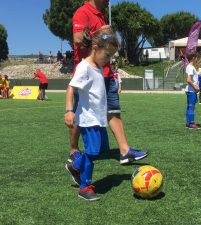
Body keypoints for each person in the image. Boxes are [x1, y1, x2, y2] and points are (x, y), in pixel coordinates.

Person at [66, 0, 147, 174]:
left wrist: (107, 36)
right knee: (81, 114)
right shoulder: (83, 12)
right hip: (89, 74)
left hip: (107, 72)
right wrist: (102, 33)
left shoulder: (101, 14)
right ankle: (73, 151)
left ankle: (124, 151)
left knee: (113, 111)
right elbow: (78, 39)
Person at [65, 26, 118, 201]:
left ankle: (76, 166)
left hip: (99, 118)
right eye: (107, 55)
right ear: (95, 48)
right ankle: (84, 187)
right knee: (93, 152)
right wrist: (69, 111)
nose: (108, 60)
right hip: (88, 119)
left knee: (102, 150)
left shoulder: (98, 67)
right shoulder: (84, 67)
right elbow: (71, 87)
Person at [185, 51, 201, 129]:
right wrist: (196, 88)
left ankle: (188, 123)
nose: (197, 59)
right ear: (193, 58)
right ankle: (191, 123)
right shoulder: (191, 67)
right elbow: (189, 80)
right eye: (196, 57)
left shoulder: (189, 66)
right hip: (192, 91)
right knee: (191, 107)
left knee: (189, 107)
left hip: (189, 90)